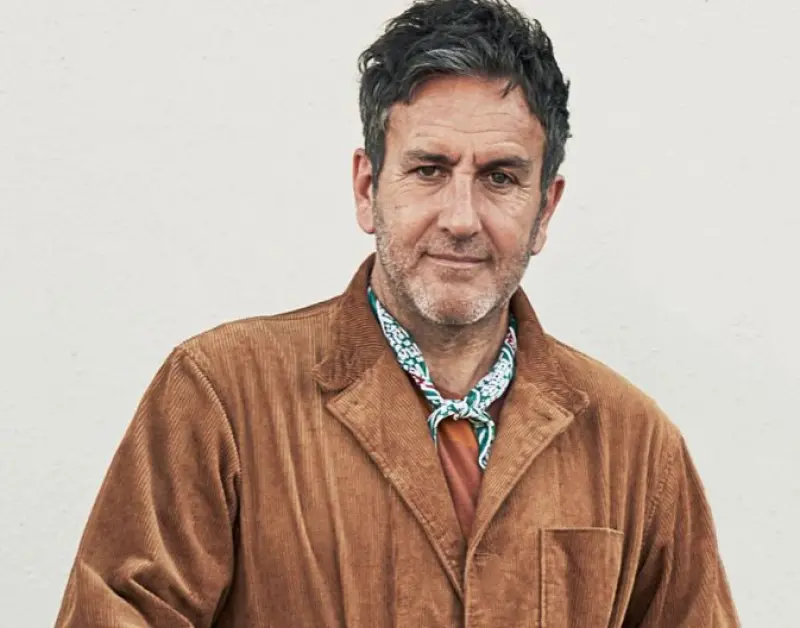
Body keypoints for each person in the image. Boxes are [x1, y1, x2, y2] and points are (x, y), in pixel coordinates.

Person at [55, 0, 740, 625]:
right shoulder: (221, 396)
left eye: (500, 177)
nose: (461, 218)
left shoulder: (635, 444)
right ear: (367, 187)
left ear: (545, 209)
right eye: (429, 169)